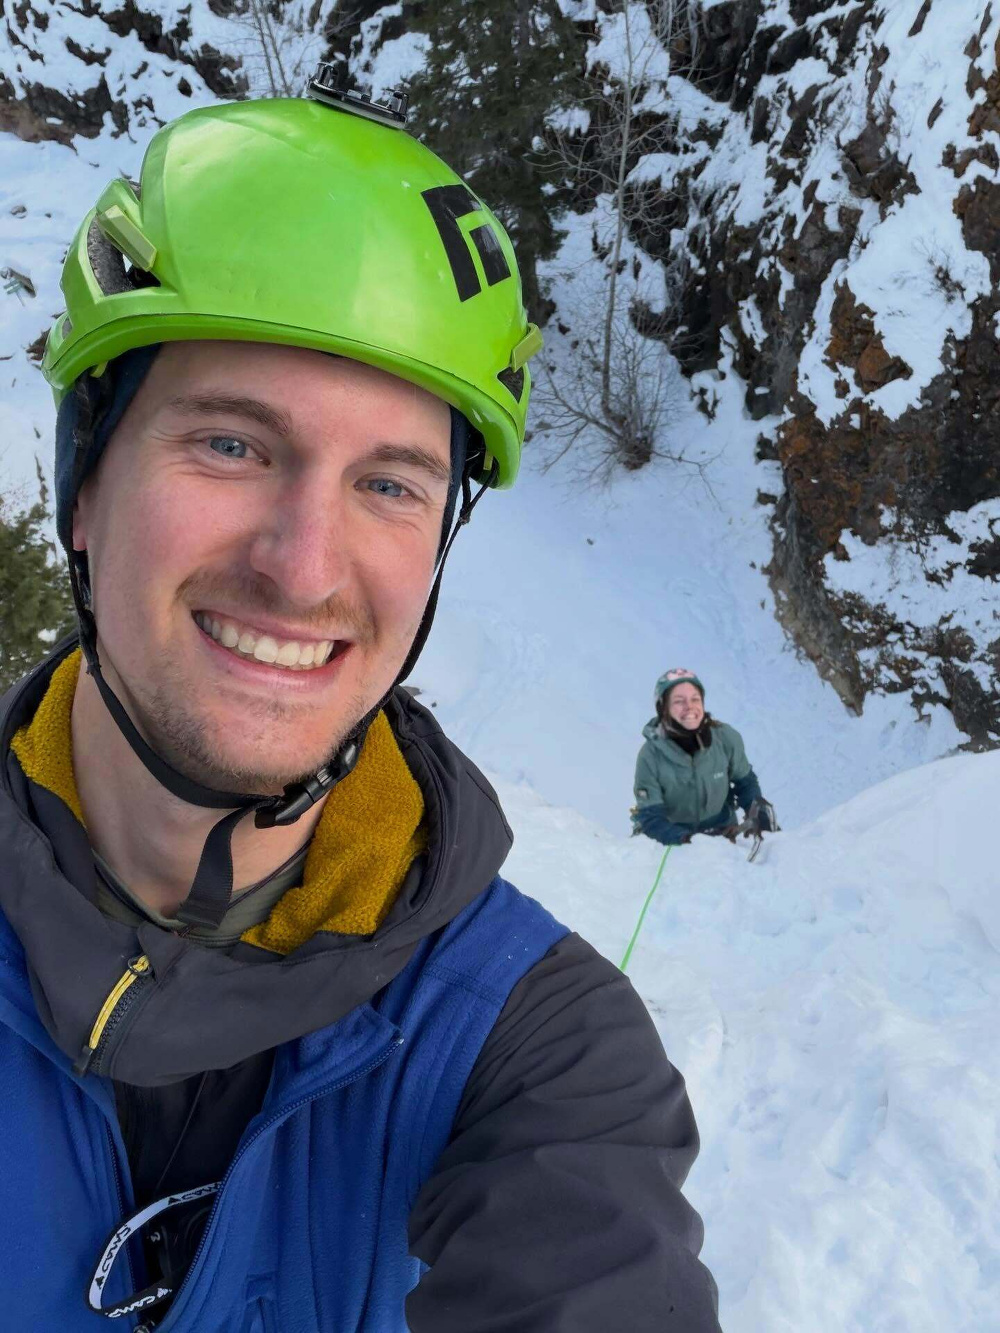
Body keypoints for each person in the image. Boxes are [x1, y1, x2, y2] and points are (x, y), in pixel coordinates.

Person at [0, 79, 723, 1331]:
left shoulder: (535, 1050)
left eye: (389, 485)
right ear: (83, 488)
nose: (302, 566)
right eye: (230, 443)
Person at [633, 667, 773, 846]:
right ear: (663, 708)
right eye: (679, 701)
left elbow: (746, 783)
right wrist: (686, 840)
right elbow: (651, 818)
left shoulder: (725, 739)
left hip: (724, 834)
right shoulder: (650, 757)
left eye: (695, 699)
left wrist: (760, 818)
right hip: (672, 842)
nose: (689, 706)